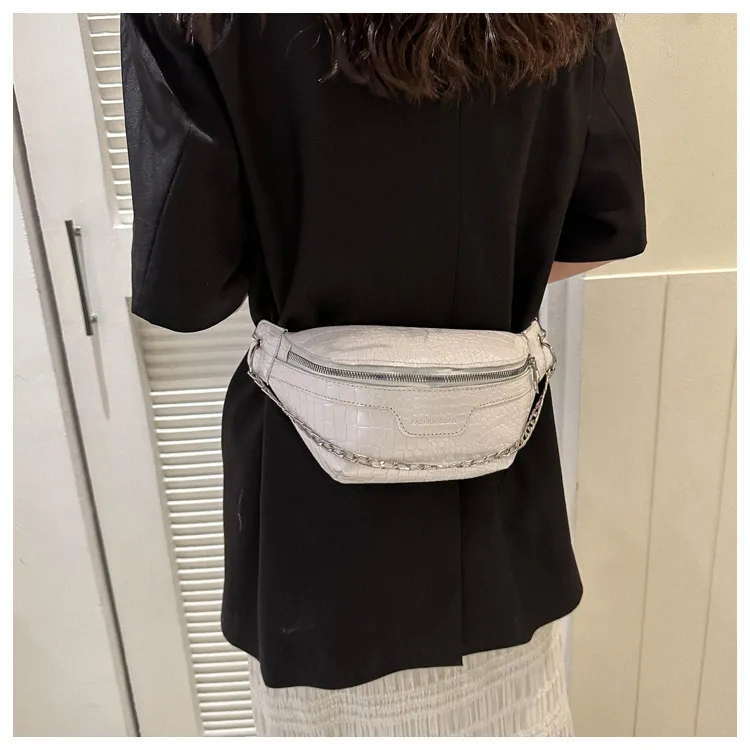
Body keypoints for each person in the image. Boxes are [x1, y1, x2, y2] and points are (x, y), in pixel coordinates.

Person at [121, 13, 646, 737]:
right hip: (499, 509)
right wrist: (485, 293)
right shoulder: (568, 15)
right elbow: (605, 226)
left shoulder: (200, 18)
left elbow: (186, 288)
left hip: (318, 529)